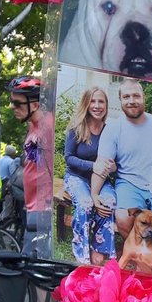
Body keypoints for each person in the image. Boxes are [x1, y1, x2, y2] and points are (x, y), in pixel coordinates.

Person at [92, 78, 152, 277]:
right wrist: (95, 193)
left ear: (143, 97)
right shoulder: (113, 128)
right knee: (122, 217)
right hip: (130, 184)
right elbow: (102, 164)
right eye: (126, 97)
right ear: (120, 100)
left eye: (136, 95)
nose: (131, 101)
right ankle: (141, 256)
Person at [63, 86, 116, 265]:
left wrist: (112, 166)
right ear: (86, 104)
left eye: (101, 101)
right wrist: (93, 165)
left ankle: (100, 248)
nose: (97, 105)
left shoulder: (110, 131)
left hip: (101, 180)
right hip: (76, 177)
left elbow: (116, 161)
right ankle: (81, 252)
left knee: (109, 202)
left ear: (106, 106)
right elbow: (69, 158)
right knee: (86, 204)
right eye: (93, 101)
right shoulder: (76, 128)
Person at [8, 75, 53, 258]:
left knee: (36, 269)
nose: (12, 107)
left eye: (17, 103)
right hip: (32, 206)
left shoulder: (49, 126)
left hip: (44, 209)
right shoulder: (34, 126)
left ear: (34, 104)